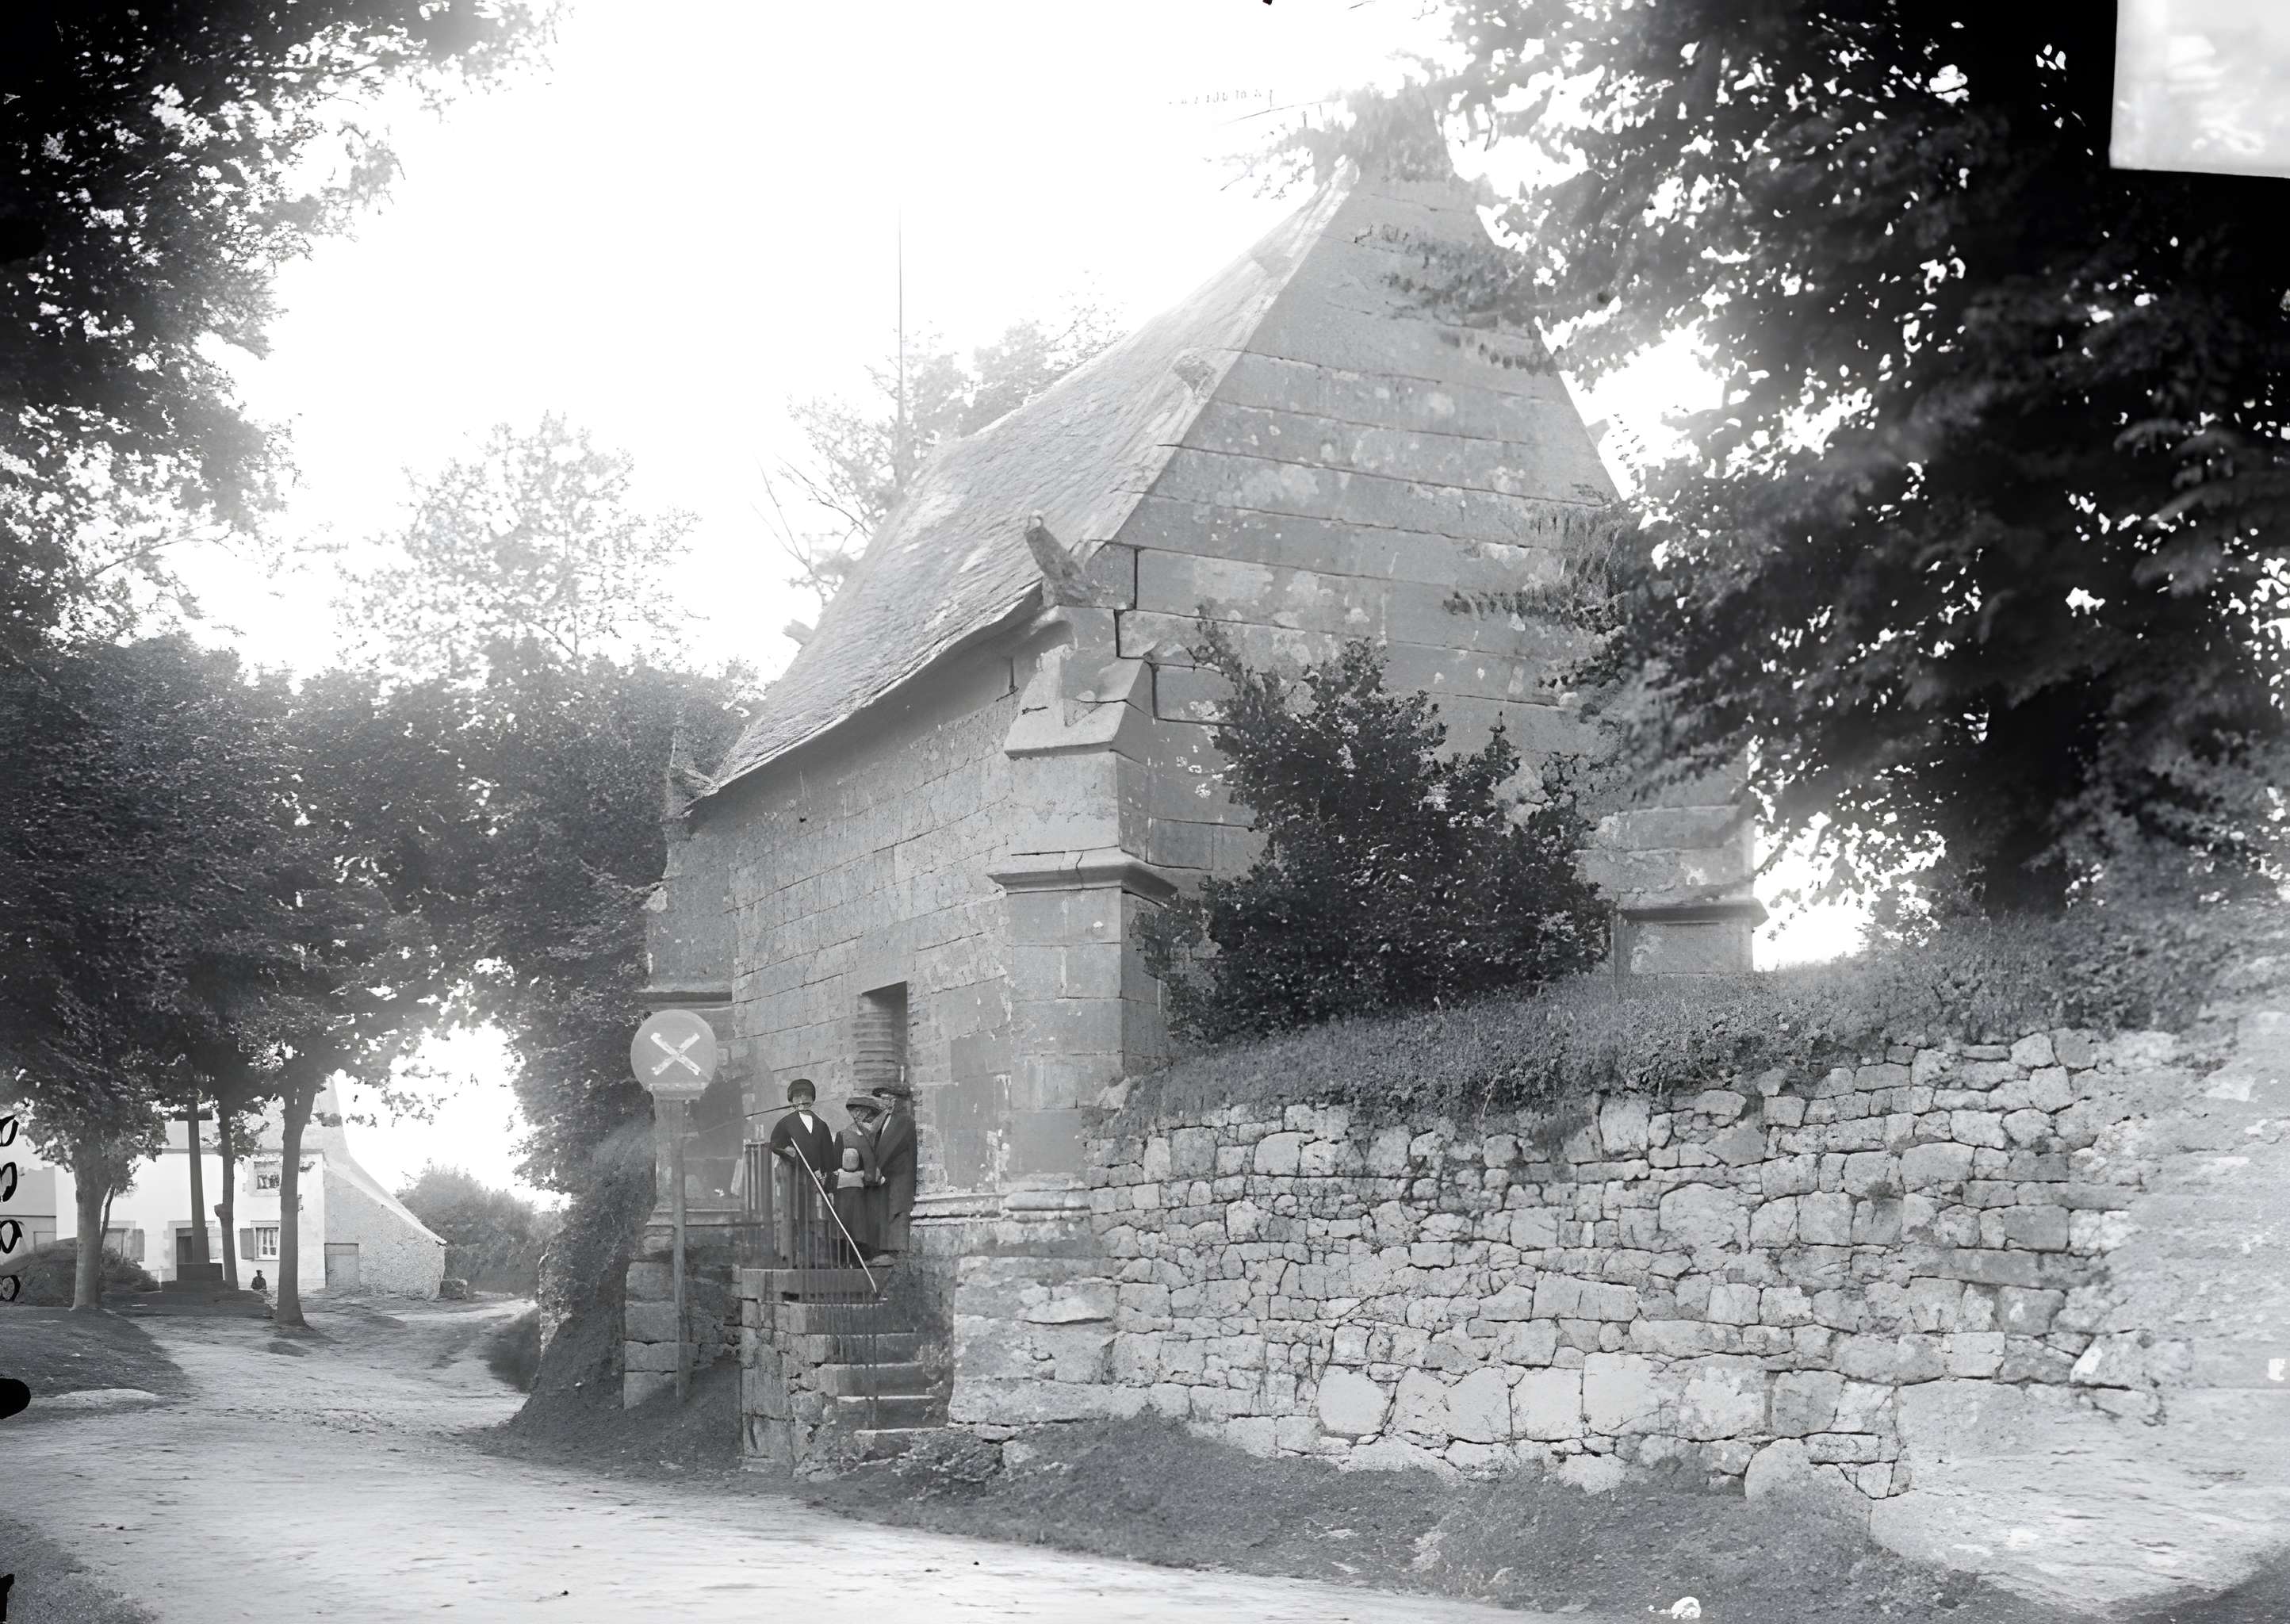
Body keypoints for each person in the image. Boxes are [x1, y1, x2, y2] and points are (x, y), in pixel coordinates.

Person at [766, 1078, 839, 1266]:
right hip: (793, 1176)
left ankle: (814, 1257)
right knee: (793, 1216)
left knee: (814, 1218)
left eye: (806, 1096)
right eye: (798, 1096)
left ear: (812, 1100)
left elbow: (828, 1154)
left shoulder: (821, 1124)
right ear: (792, 1101)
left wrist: (827, 1177)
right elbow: (774, 1144)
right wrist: (786, 1151)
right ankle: (791, 1257)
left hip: (815, 1179)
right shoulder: (786, 1123)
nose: (802, 1100)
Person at [833, 1097, 887, 1262]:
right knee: (851, 1223)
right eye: (856, 1111)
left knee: (870, 1222)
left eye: (864, 1111)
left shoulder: (874, 1135)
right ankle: (849, 1258)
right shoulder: (844, 1135)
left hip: (873, 1186)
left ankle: (872, 1253)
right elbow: (836, 1162)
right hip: (852, 1188)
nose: (859, 1115)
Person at [869, 1080, 917, 1257]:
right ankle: (883, 1250)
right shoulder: (883, 1121)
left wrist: (877, 1169)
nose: (887, 1103)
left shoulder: (904, 1121)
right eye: (883, 1100)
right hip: (886, 1176)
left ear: (898, 1101)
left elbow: (891, 1148)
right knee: (884, 1212)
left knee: (896, 1211)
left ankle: (896, 1252)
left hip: (898, 1175)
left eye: (890, 1099)